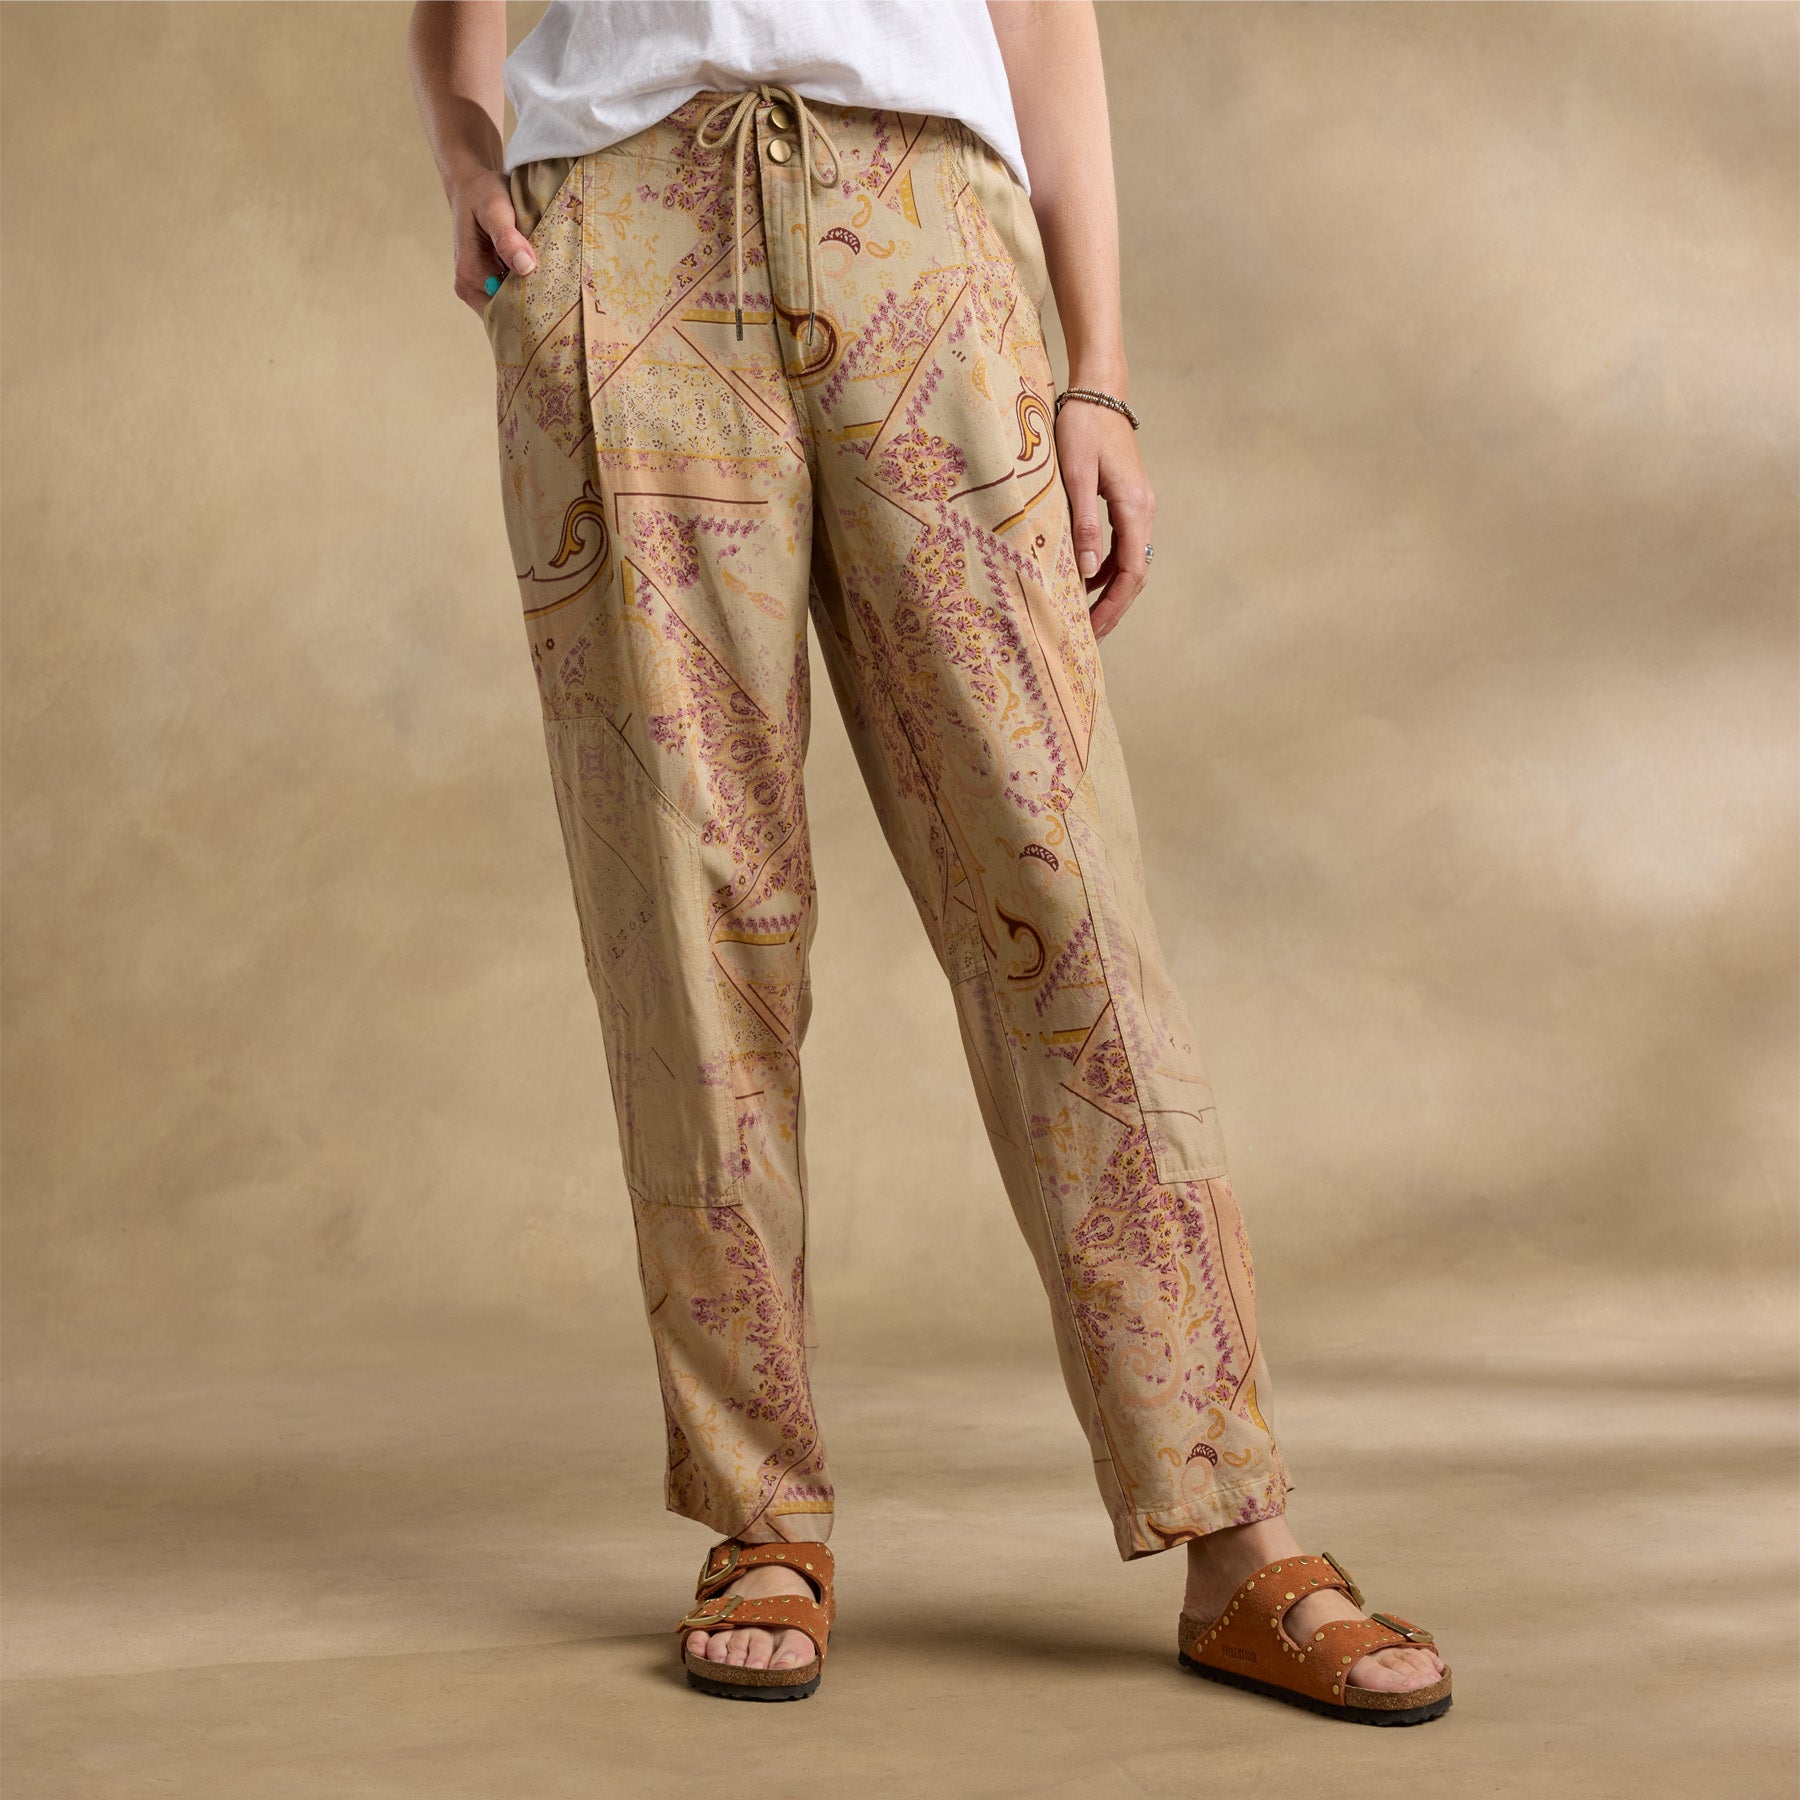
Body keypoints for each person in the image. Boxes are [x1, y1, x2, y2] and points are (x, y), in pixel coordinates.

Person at [409, 0, 1451, 1722]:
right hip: (620, 224)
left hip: (925, 225)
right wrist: (467, 146)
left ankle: (1236, 1532)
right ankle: (759, 1515)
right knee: (687, 902)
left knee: (1055, 875)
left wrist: (1097, 367)